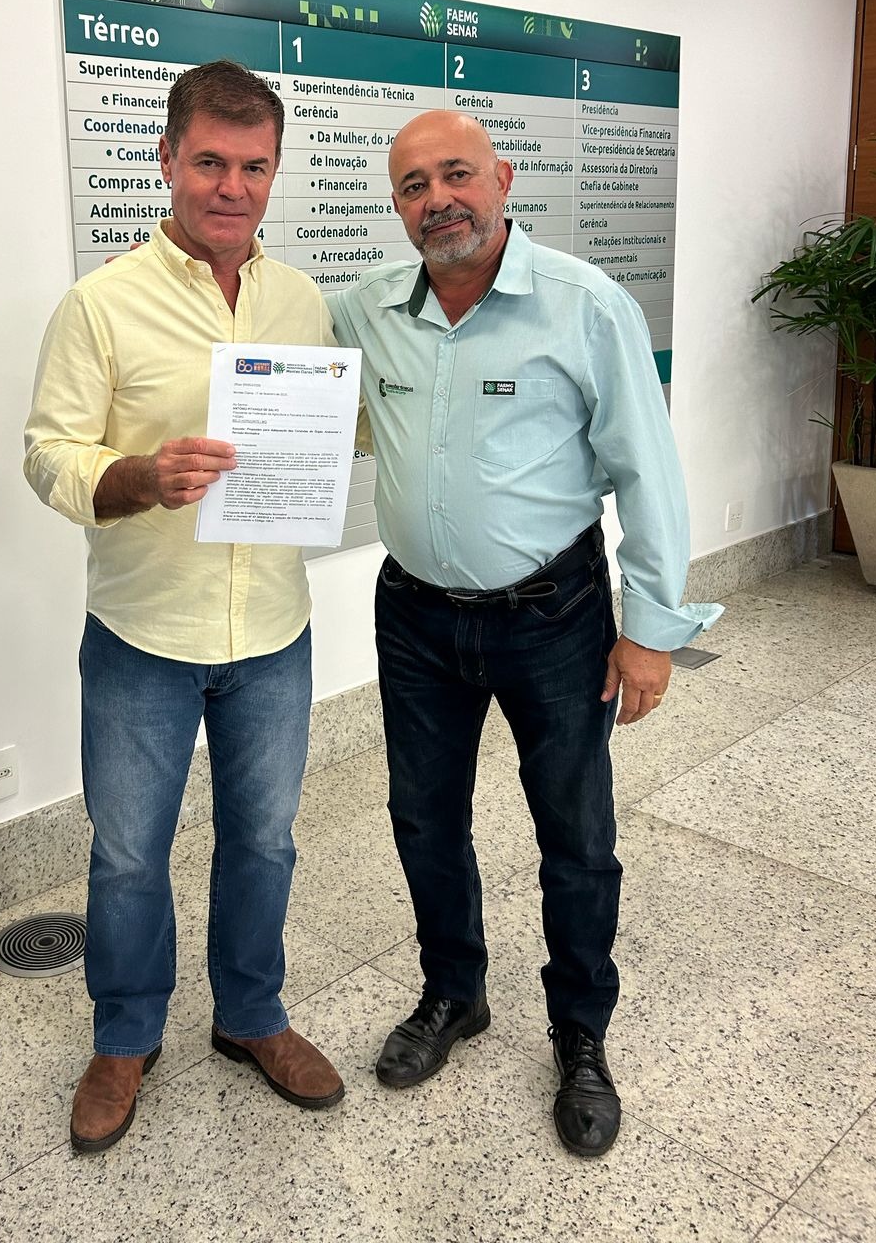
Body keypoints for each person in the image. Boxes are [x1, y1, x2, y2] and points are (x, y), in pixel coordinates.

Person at [330, 109, 719, 1158]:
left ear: (502, 178)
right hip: (415, 615)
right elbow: (269, 361)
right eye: (414, 186)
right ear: (396, 205)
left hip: (555, 614)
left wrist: (651, 631)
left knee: (575, 835)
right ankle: (454, 993)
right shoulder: (367, 309)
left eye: (456, 174)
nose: (438, 200)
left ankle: (581, 1031)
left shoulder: (584, 305)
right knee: (424, 818)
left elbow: (648, 472)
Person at [24, 59, 344, 1155]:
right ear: (166, 159)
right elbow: (49, 455)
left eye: (254, 166)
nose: (232, 186)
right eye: (210, 161)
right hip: (142, 634)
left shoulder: (301, 301)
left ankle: (251, 1015)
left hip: (274, 632)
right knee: (127, 854)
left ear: (274, 172)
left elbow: (325, 435)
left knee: (265, 840)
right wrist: (139, 477)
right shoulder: (100, 304)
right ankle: (125, 1037)